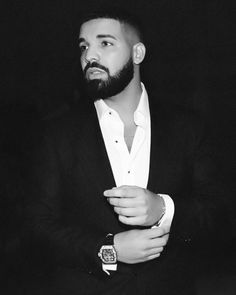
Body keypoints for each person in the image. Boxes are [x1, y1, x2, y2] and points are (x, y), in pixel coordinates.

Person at [26, 8, 226, 295]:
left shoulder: (187, 127)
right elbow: (36, 228)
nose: (89, 56)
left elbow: (218, 216)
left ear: (137, 53)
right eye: (84, 46)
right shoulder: (56, 133)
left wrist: (164, 209)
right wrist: (109, 250)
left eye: (105, 43)